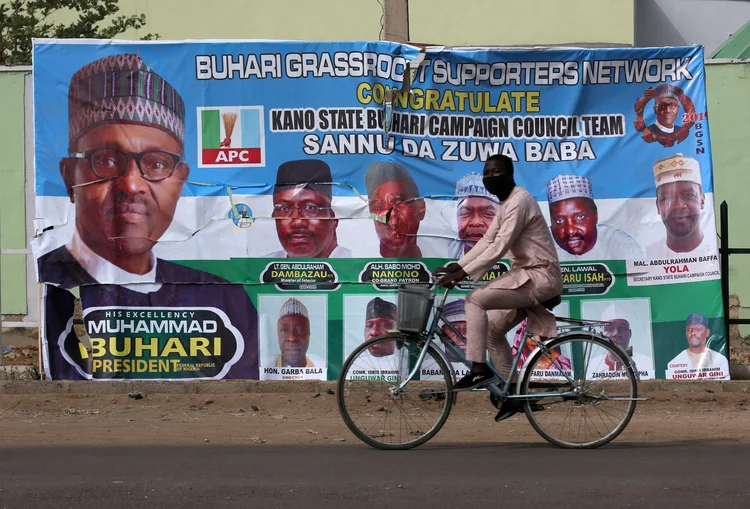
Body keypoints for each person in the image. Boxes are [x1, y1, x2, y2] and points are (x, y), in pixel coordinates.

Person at [36, 53, 258, 379]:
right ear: (71, 177)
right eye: (107, 160)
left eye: (156, 164)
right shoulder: (57, 282)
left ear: (179, 181)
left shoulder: (224, 294)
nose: (132, 184)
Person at [435, 153, 564, 422]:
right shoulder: (505, 203)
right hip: (526, 275)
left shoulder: (520, 200)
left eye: (496, 172)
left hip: (539, 276)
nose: (491, 178)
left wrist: (463, 273)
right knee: (492, 331)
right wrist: (456, 266)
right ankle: (514, 392)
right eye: (487, 174)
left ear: (510, 174)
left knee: (474, 300)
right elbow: (487, 240)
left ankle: (479, 368)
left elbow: (499, 245)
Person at [263, 159, 351, 258]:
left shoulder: (357, 264)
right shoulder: (262, 267)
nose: (297, 222)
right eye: (284, 209)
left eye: (310, 208)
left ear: (334, 219)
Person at [546, 174, 643, 260]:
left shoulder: (620, 243)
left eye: (580, 217)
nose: (570, 231)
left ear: (595, 215)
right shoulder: (542, 245)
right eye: (559, 220)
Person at [647, 153, 714, 258]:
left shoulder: (714, 250)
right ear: (658, 206)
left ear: (702, 201)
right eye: (668, 198)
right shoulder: (647, 254)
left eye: (688, 195)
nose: (678, 206)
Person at [365, 161, 426, 258]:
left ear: (421, 208)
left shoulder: (442, 265)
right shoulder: (354, 267)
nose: (388, 214)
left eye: (398, 201)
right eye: (377, 204)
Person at [585, 303, 653, 377]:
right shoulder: (590, 366)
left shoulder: (648, 363)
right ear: (602, 335)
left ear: (630, 334)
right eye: (610, 329)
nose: (616, 334)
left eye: (622, 328)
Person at [449, 173, 498, 258]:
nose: (476, 222)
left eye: (488, 214)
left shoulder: (514, 255)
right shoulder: (445, 252)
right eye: (465, 213)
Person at [349, 297, 399, 372]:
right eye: (369, 326)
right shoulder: (353, 364)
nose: (374, 332)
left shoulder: (403, 362)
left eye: (384, 325)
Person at [273, 297, 325, 368]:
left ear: (309, 334)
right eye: (285, 330)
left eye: (300, 330)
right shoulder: (264, 366)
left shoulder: (322, 367)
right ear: (277, 334)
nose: (292, 338)